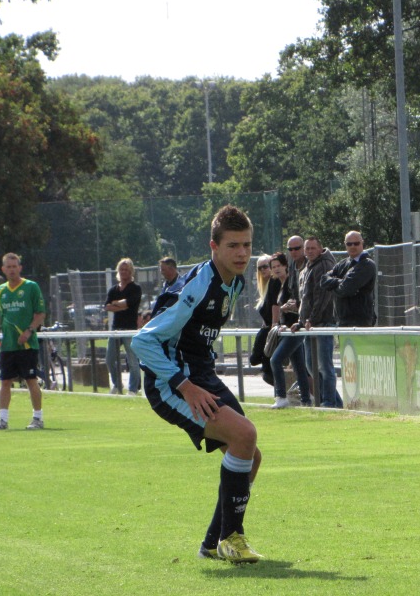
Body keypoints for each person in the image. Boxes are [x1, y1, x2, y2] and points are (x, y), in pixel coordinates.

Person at [130, 205, 263, 563]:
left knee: (251, 457)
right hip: (170, 382)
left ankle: (212, 543)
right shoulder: (196, 287)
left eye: (247, 245)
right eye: (233, 245)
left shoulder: (236, 281)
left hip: (199, 373)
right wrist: (184, 385)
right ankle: (231, 539)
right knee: (244, 437)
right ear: (213, 247)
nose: (242, 253)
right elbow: (142, 341)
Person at [0, 253, 46, 430]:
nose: (11, 269)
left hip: (26, 345)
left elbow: (40, 313)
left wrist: (29, 330)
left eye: (14, 266)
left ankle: (38, 418)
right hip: (8, 345)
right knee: (5, 381)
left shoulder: (31, 287)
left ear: (20, 268)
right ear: (3, 269)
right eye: (8, 267)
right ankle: (2, 420)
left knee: (30, 379)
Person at [294, 236, 342, 408]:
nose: (310, 251)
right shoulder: (307, 267)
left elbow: (322, 296)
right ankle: (333, 401)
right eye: (307, 249)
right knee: (311, 366)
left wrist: (311, 319)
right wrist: (301, 321)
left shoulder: (324, 265)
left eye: (313, 248)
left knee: (324, 366)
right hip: (310, 324)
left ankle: (329, 402)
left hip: (322, 323)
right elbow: (306, 299)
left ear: (320, 249)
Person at [267, 252, 312, 409]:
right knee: (299, 366)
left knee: (275, 359)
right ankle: (306, 400)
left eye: (279, 266)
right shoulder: (279, 285)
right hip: (288, 330)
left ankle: (281, 396)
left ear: (286, 266)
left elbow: (300, 301)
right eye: (274, 267)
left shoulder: (292, 282)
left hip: (295, 329)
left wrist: (288, 308)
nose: (277, 269)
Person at [320, 230, 377, 327]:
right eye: (349, 244)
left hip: (359, 322)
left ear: (362, 243)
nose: (353, 246)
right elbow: (323, 280)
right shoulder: (342, 263)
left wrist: (332, 287)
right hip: (341, 321)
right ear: (345, 245)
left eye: (356, 243)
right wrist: (339, 282)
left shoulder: (367, 265)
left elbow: (345, 290)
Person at [104, 258, 142, 395]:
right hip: (115, 329)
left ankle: (132, 389)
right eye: (121, 269)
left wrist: (117, 304)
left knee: (132, 361)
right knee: (109, 359)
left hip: (129, 329)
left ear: (131, 271)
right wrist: (121, 305)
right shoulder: (113, 289)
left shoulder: (135, 288)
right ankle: (117, 385)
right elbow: (107, 306)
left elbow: (130, 303)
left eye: (126, 269)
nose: (124, 272)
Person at [248, 254, 280, 384]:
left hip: (273, 330)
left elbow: (275, 305)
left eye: (266, 266)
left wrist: (274, 324)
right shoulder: (265, 286)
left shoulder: (275, 282)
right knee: (256, 360)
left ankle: (282, 393)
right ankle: (282, 392)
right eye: (260, 268)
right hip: (267, 328)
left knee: (267, 369)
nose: (263, 270)